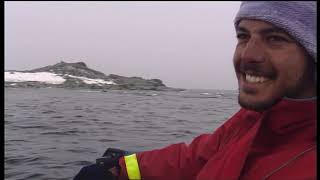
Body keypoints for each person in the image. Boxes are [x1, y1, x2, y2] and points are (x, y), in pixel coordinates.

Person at [74, 1, 316, 180]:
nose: (248, 55)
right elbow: (196, 157)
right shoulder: (255, 117)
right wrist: (125, 168)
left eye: (275, 38)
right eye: (243, 36)